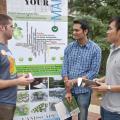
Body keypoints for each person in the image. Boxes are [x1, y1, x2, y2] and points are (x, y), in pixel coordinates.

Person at [62, 19, 101, 120]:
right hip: (68, 89)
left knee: (82, 117)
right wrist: (68, 89)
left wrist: (74, 81)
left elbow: (93, 72)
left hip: (84, 90)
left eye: (77, 30)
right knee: (66, 117)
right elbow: (64, 67)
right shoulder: (69, 48)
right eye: (73, 30)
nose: (74, 32)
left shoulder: (95, 49)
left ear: (85, 31)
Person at [0, 14, 33, 120]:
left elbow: (8, 73)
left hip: (10, 101)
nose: (13, 29)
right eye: (11, 26)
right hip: (2, 103)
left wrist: (21, 76)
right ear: (2, 27)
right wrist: (18, 81)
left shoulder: (5, 48)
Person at [92, 16, 120, 120]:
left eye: (110, 28)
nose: (107, 32)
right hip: (105, 106)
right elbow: (114, 72)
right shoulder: (112, 49)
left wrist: (107, 87)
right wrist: (100, 80)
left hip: (116, 112)